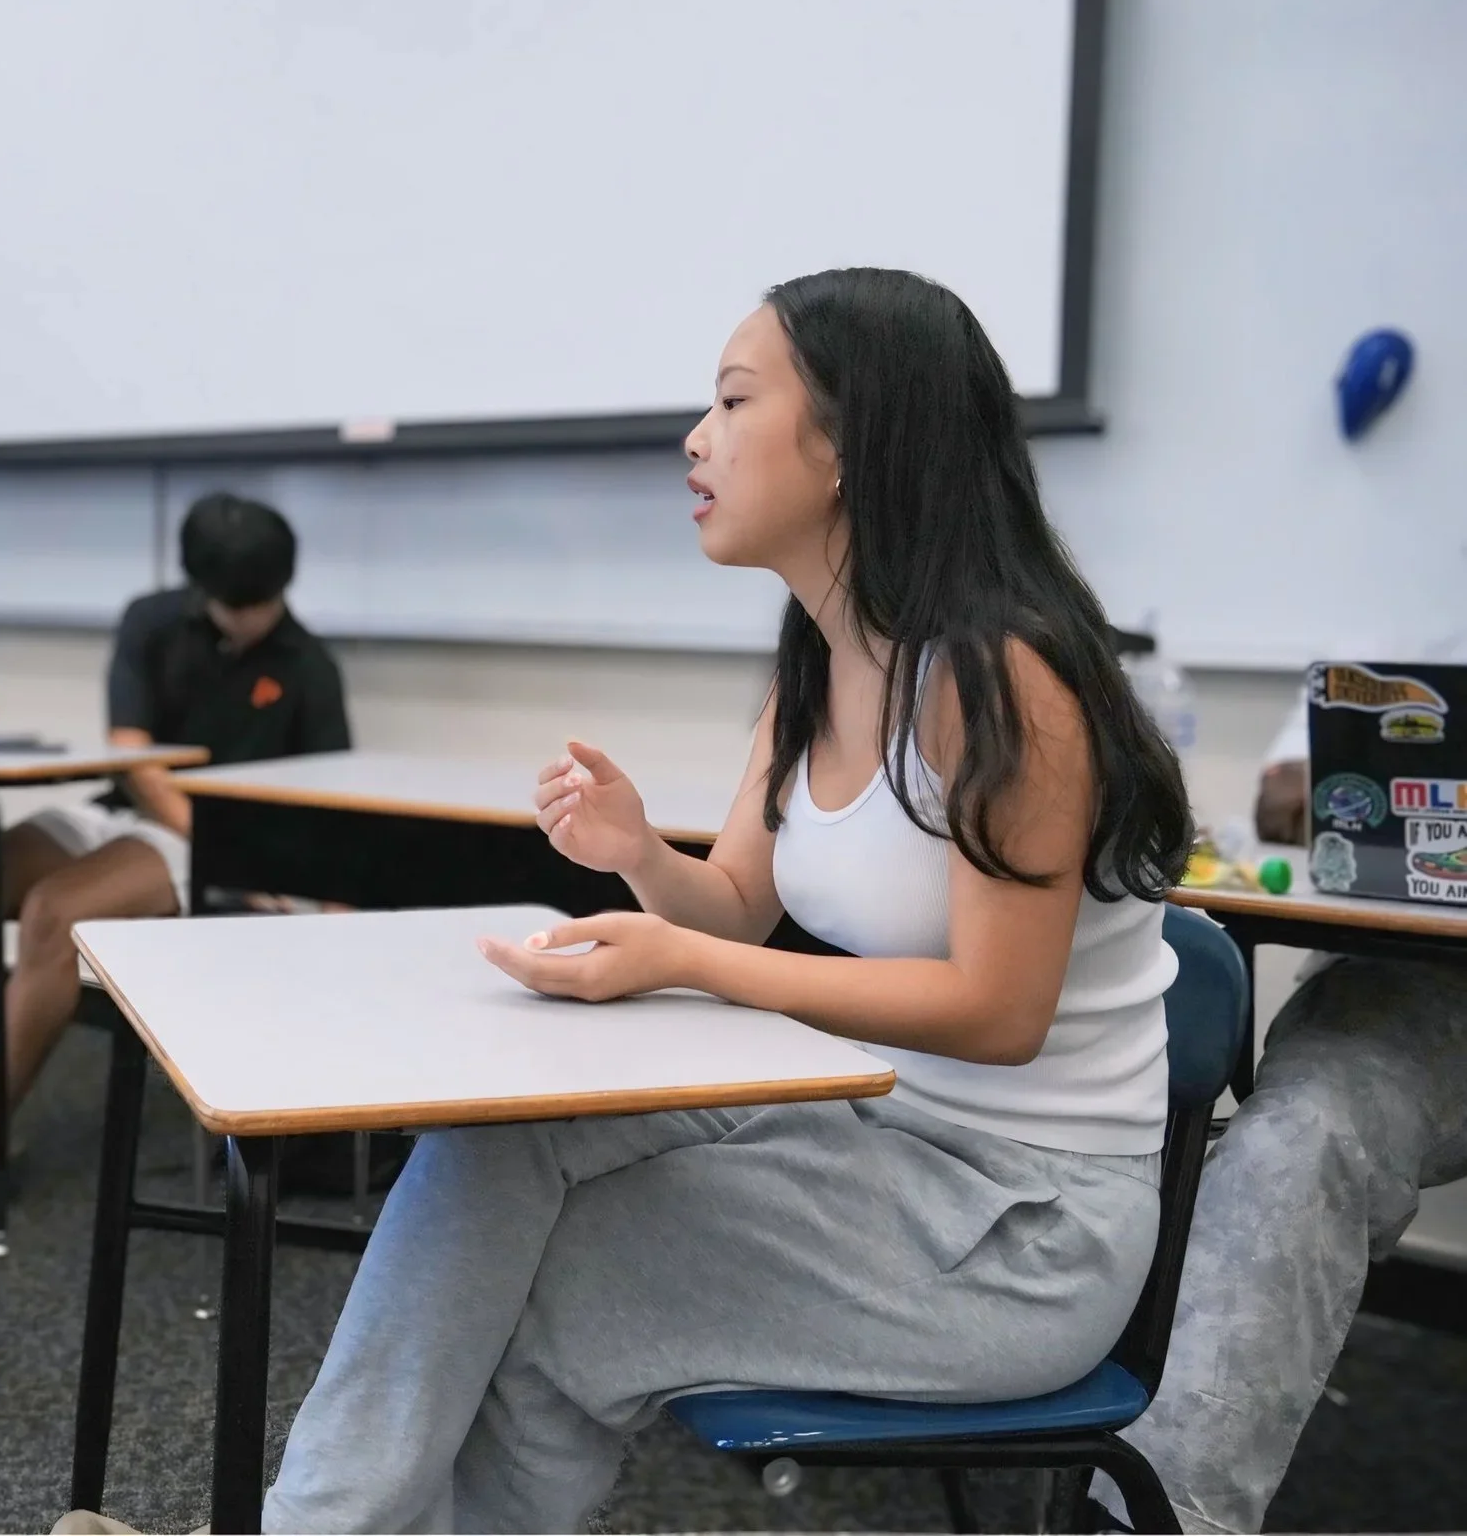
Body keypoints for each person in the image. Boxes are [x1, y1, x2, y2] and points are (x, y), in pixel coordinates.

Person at [262, 268, 1194, 1532]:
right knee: (494, 1137)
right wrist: (641, 853)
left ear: (850, 442)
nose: (695, 439)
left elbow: (998, 1010)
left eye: (733, 401)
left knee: (560, 1290)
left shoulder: (1001, 678)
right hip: (867, 1126)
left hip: (1020, 1225)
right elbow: (742, 908)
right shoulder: (818, 657)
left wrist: (677, 960)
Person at [0, 493, 352, 1217]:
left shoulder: (308, 664)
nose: (249, 619)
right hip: (130, 810)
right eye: (233, 605)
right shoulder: (151, 621)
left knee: (57, 910)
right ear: (200, 587)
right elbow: (133, 755)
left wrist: (302, 899)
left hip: (215, 844)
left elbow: (332, 804)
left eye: (262, 604)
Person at [1092, 692, 1467, 1532]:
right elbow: (1283, 806)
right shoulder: (1408, 669)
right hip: (1417, 988)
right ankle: (1154, 1519)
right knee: (1299, 1134)